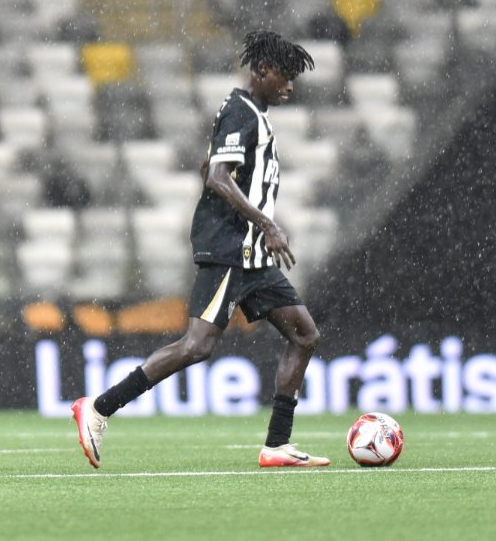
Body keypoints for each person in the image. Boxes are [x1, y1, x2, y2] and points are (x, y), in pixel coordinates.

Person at [72, 30, 330, 469]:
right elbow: (216, 177)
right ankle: (98, 408)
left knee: (304, 334)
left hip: (251, 256)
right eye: (284, 77)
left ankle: (277, 444)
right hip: (232, 249)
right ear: (261, 71)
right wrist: (267, 223)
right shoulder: (241, 112)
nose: (289, 86)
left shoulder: (248, 114)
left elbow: (208, 168)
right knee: (196, 346)